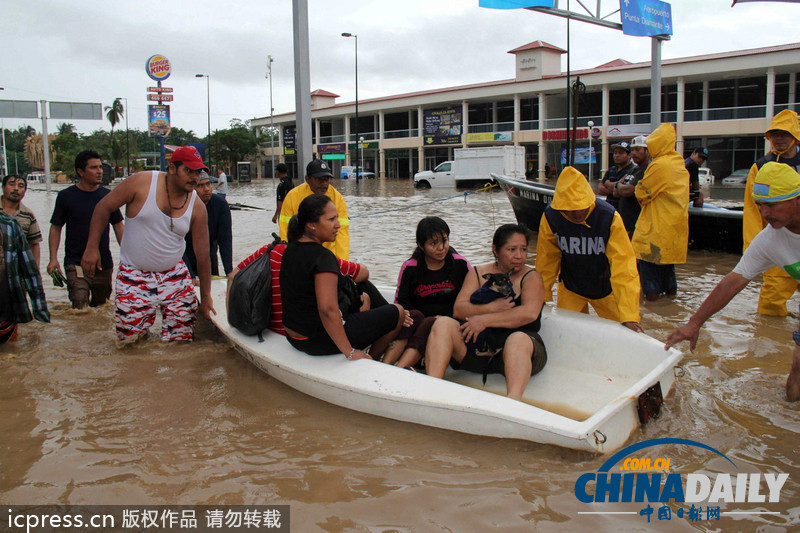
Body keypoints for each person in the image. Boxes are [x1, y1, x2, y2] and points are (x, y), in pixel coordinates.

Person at [665, 162, 800, 401]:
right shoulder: (769, 240)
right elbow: (733, 282)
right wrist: (694, 323)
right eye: (760, 206)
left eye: (772, 205)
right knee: (797, 373)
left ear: (796, 199)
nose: (764, 214)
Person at [81, 146, 215, 343]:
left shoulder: (197, 206)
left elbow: (203, 255)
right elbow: (103, 207)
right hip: (134, 273)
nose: (194, 177)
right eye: (188, 170)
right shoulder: (142, 183)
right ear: (171, 168)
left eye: (198, 172)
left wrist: (206, 296)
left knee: (183, 340)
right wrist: (92, 248)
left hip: (174, 275)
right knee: (130, 341)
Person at [279, 193, 409, 359]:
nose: (338, 225)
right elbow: (327, 309)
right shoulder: (323, 257)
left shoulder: (291, 249)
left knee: (364, 295)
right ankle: (372, 359)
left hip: (294, 337)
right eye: (331, 219)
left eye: (337, 218)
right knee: (397, 312)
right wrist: (350, 352)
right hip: (316, 340)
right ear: (312, 225)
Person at [424, 224, 546, 400]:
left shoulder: (531, 277)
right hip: (479, 349)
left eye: (523, 249)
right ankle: (431, 389)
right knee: (443, 323)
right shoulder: (478, 273)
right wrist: (490, 308)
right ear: (495, 250)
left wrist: (484, 320)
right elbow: (459, 309)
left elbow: (529, 313)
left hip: (520, 351)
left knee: (517, 340)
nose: (519, 256)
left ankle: (513, 401)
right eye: (511, 249)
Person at [536, 166, 642, 332]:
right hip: (571, 287)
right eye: (570, 210)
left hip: (606, 289)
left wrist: (629, 315)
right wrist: (541, 297)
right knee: (568, 334)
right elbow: (546, 260)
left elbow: (624, 267)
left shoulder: (609, 217)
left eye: (580, 207)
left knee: (624, 331)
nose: (576, 213)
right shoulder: (551, 216)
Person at [382, 216, 472, 368]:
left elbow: (470, 301)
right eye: (433, 243)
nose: (441, 247)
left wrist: (445, 318)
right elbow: (402, 302)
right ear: (421, 246)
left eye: (445, 240)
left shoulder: (460, 264)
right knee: (413, 316)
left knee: (431, 322)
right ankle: (385, 365)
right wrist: (405, 316)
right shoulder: (411, 267)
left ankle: (400, 368)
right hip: (418, 321)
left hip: (450, 323)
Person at [47, 151, 124, 309]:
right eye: (94, 168)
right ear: (80, 171)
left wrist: (129, 257)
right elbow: (56, 228)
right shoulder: (65, 196)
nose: (99, 171)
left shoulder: (108, 196)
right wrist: (53, 258)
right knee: (80, 303)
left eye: (100, 167)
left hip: (103, 264)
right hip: (75, 263)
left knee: (102, 308)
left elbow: (118, 226)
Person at [743, 109, 800, 316]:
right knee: (770, 306)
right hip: (780, 244)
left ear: (795, 135)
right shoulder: (761, 166)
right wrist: (751, 249)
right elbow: (752, 209)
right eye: (775, 134)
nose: (779, 139)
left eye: (784, 134)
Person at [631, 123, 689, 301]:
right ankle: (670, 311)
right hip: (674, 232)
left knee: (650, 284)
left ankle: (653, 316)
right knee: (669, 279)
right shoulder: (678, 162)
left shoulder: (659, 165)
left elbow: (641, 192)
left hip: (655, 232)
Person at [279, 159, 350, 259]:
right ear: (307, 179)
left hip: (327, 255)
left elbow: (342, 233)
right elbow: (285, 231)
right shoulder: (293, 196)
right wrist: (289, 256)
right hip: (300, 254)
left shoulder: (337, 198)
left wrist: (342, 263)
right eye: (319, 179)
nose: (324, 184)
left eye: (327, 179)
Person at [0, 211, 49, 343]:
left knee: (10, 354)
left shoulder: (10, 225)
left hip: (6, 310)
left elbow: (29, 269)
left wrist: (39, 309)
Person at [183, 171, 233, 279]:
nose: (206, 189)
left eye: (208, 184)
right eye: (200, 185)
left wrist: (229, 271)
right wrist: (190, 276)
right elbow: (178, 243)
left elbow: (225, 240)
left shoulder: (221, 205)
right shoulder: (181, 206)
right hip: (184, 258)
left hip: (209, 257)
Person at [2, 174, 42, 267]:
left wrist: (35, 271)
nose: (16, 189)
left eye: (20, 186)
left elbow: (34, 244)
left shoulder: (28, 215)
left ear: (25, 191)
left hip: (18, 270)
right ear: (3, 187)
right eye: (11, 184)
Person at [615, 136, 649, 237]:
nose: (634, 153)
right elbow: (615, 192)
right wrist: (619, 186)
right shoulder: (633, 170)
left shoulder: (648, 170)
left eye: (638, 149)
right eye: (633, 150)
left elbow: (628, 190)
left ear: (647, 151)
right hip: (624, 223)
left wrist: (619, 185)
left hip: (637, 224)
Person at [597, 141, 636, 210]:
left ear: (629, 155)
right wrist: (618, 188)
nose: (617, 155)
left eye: (621, 153)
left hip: (625, 211)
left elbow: (626, 190)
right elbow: (600, 190)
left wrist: (608, 184)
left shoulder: (633, 170)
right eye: (615, 153)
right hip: (610, 210)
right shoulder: (611, 170)